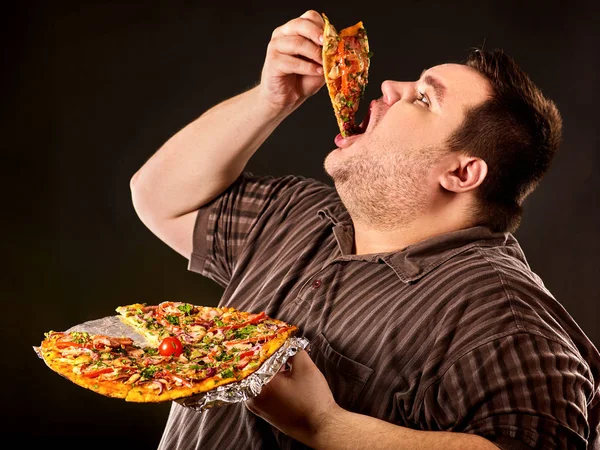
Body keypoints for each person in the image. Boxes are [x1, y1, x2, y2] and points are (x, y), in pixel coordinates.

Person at [129, 9, 600, 450]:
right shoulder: (301, 214)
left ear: (461, 174)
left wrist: (327, 426)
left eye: (422, 97)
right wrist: (272, 99)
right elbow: (159, 198)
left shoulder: (501, 318)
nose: (390, 84)